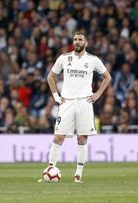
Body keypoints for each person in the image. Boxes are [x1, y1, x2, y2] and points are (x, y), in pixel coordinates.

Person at [45, 31, 112, 183]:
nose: (77, 42)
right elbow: (50, 77)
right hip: (67, 102)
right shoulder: (64, 58)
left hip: (85, 102)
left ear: (85, 43)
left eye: (80, 39)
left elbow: (107, 77)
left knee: (82, 138)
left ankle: (78, 175)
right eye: (75, 39)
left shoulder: (93, 60)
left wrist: (98, 94)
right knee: (58, 136)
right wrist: (56, 96)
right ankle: (49, 169)